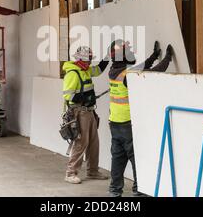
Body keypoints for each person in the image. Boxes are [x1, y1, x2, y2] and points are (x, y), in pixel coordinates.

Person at [107, 40, 173, 197]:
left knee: (118, 159)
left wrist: (154, 56)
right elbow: (153, 73)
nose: (131, 53)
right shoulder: (127, 75)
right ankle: (139, 190)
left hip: (115, 123)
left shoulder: (115, 71)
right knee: (136, 158)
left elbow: (142, 67)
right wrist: (167, 58)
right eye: (128, 52)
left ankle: (114, 191)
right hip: (127, 124)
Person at [62, 46, 110, 184]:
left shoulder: (86, 70)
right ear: (80, 60)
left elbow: (99, 69)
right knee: (81, 143)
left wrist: (107, 57)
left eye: (90, 59)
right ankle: (70, 173)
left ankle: (92, 171)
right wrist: (84, 98)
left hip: (89, 111)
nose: (90, 63)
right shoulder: (72, 73)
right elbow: (68, 95)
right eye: (88, 60)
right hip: (79, 112)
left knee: (94, 142)